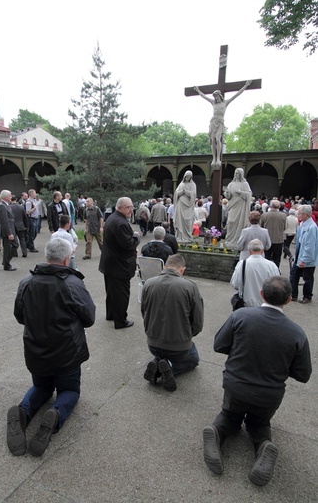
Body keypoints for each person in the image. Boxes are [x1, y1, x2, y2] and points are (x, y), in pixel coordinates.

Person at [203, 276, 312, 486]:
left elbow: (219, 345)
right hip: (269, 394)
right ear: (289, 300)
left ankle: (216, 432)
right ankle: (263, 444)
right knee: (259, 423)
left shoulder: (240, 316)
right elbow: (303, 374)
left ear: (262, 294)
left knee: (229, 415)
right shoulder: (297, 333)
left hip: (236, 385)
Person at [7, 238, 96, 457]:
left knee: (42, 387)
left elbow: (20, 316)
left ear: (47, 257)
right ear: (66, 259)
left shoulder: (26, 282)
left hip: (36, 350)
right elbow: (89, 317)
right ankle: (55, 413)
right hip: (67, 353)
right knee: (69, 390)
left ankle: (23, 411)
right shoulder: (73, 283)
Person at [141, 254, 204, 392]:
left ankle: (157, 363)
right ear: (182, 270)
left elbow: (144, 312)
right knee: (194, 359)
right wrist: (187, 334)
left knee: (162, 353)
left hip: (152, 343)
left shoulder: (148, 283)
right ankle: (169, 366)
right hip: (179, 346)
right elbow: (198, 322)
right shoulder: (190, 286)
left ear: (164, 267)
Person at [99, 197, 140, 329]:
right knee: (121, 294)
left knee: (111, 292)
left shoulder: (112, 218)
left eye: (132, 207)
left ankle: (111, 314)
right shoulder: (120, 222)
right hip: (119, 265)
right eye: (128, 207)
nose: (131, 210)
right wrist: (136, 237)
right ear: (119, 208)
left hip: (110, 263)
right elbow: (128, 244)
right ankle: (121, 321)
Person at [194, 80, 252, 168]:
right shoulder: (213, 103)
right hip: (213, 122)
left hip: (220, 122)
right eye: (214, 97)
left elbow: (237, 94)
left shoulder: (225, 102)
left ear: (219, 96)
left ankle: (218, 158)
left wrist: (246, 85)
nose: (216, 98)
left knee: (218, 139)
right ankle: (214, 158)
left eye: (217, 96)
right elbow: (204, 96)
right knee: (213, 140)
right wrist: (198, 90)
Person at [231, 239, 280, 307]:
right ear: (262, 250)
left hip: (246, 305)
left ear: (249, 251)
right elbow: (277, 287)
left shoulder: (242, 264)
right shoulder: (272, 266)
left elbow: (235, 284)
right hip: (266, 306)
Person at [290, 205, 318, 304]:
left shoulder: (311, 227)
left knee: (307, 278)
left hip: (307, 257)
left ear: (305, 215)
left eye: (300, 213)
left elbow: (309, 246)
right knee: (294, 275)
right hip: (299, 254)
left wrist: (304, 259)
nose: (298, 215)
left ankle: (307, 296)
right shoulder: (303, 225)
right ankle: (293, 294)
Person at [223, 168, 252, 246]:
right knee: (230, 222)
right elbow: (228, 197)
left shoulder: (245, 184)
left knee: (240, 223)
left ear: (241, 175)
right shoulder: (231, 184)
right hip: (232, 205)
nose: (236, 175)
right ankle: (229, 239)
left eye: (237, 173)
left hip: (241, 206)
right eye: (235, 173)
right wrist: (227, 192)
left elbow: (249, 195)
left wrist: (240, 192)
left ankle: (238, 240)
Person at [260, 199, 287, 269]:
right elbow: (284, 227)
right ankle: (276, 270)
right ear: (279, 207)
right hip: (278, 239)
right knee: (277, 258)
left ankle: (266, 270)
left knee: (266, 257)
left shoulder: (264, 215)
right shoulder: (283, 216)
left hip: (267, 239)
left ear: (270, 206)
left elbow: (261, 226)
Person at [174, 170, 197, 243]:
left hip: (188, 207)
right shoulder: (181, 184)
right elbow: (176, 193)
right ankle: (180, 236)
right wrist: (181, 192)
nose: (187, 178)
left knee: (188, 222)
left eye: (189, 177)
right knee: (180, 220)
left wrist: (186, 192)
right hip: (180, 205)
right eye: (186, 177)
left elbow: (193, 195)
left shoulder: (193, 185)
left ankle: (187, 236)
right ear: (184, 177)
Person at [0, 189, 17, 271]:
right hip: (7, 231)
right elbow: (4, 221)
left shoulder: (6, 205)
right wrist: (9, 233)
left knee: (15, 245)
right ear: (5, 197)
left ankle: (6, 261)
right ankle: (6, 264)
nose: (11, 196)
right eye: (10, 195)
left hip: (11, 230)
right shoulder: (2, 206)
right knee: (8, 248)